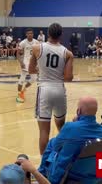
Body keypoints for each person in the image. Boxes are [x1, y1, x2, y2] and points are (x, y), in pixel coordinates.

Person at [38, 97, 102, 184]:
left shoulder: (70, 127)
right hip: (92, 177)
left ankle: (41, 173)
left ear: (79, 111)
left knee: (52, 142)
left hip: (68, 177)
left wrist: (74, 123)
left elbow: (56, 147)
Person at [29, 23, 74, 154]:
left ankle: (44, 166)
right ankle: (63, 157)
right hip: (59, 90)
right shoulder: (68, 53)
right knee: (61, 128)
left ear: (48, 34)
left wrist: (42, 71)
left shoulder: (36, 48)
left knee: (44, 131)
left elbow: (31, 69)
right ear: (61, 35)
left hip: (44, 90)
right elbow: (68, 77)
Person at [16, 28, 40, 103]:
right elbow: (18, 54)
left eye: (31, 33)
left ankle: (23, 90)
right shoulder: (23, 43)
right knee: (22, 79)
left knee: (34, 78)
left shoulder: (36, 42)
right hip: (25, 62)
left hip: (33, 63)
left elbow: (39, 53)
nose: (30, 34)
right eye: (28, 33)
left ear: (33, 34)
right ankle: (19, 94)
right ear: (26, 34)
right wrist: (21, 63)